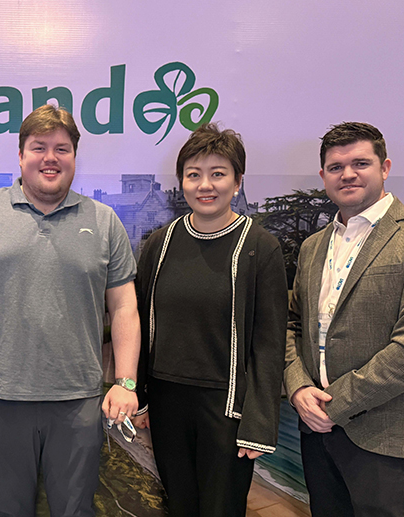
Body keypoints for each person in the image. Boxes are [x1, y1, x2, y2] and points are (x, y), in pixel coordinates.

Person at [0, 104, 140, 517]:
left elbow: (124, 307)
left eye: (61, 148)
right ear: (20, 155)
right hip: (0, 395)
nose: (50, 158)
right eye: (39, 147)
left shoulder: (104, 221)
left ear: (74, 156)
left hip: (78, 399)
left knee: (75, 510)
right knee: (10, 510)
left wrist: (126, 381)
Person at [285, 122, 404, 517]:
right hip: (314, 429)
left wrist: (334, 405)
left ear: (385, 167)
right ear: (323, 175)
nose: (347, 174)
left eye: (360, 163)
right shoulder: (313, 247)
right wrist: (297, 389)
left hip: (384, 433)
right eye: (335, 166)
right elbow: (292, 325)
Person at [133, 123, 288, 516]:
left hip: (227, 407)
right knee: (180, 504)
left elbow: (269, 343)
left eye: (218, 174)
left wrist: (259, 423)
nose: (206, 185)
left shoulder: (260, 247)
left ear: (237, 182)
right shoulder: (160, 243)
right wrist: (141, 397)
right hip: (168, 401)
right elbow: (138, 321)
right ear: (182, 182)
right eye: (194, 174)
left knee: (222, 508)